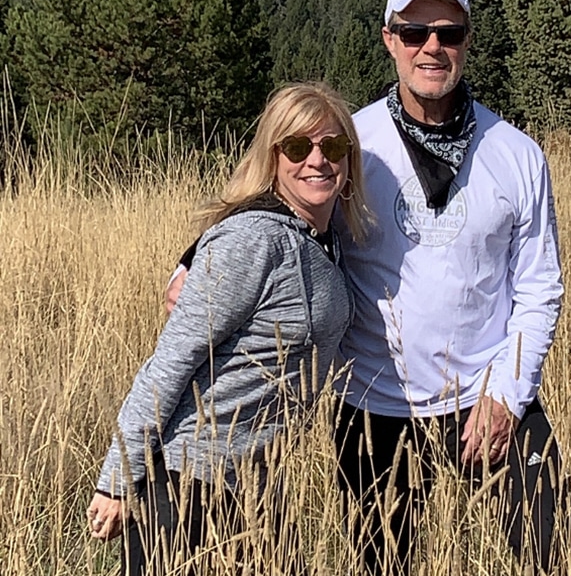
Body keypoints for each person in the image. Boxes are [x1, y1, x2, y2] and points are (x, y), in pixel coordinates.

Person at [333, 0, 571, 574]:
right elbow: (279, 208)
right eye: (415, 31)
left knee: (559, 558)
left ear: (468, 40)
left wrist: (507, 395)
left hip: (491, 395)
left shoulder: (516, 153)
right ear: (389, 39)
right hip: (375, 406)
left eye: (448, 33)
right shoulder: (354, 143)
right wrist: (196, 258)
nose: (432, 47)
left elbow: (539, 287)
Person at [87, 81, 369, 575]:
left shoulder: (326, 237)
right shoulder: (253, 240)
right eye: (299, 147)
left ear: (350, 160)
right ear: (274, 157)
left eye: (334, 146)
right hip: (189, 486)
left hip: (257, 486)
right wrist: (117, 478)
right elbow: (171, 363)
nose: (318, 160)